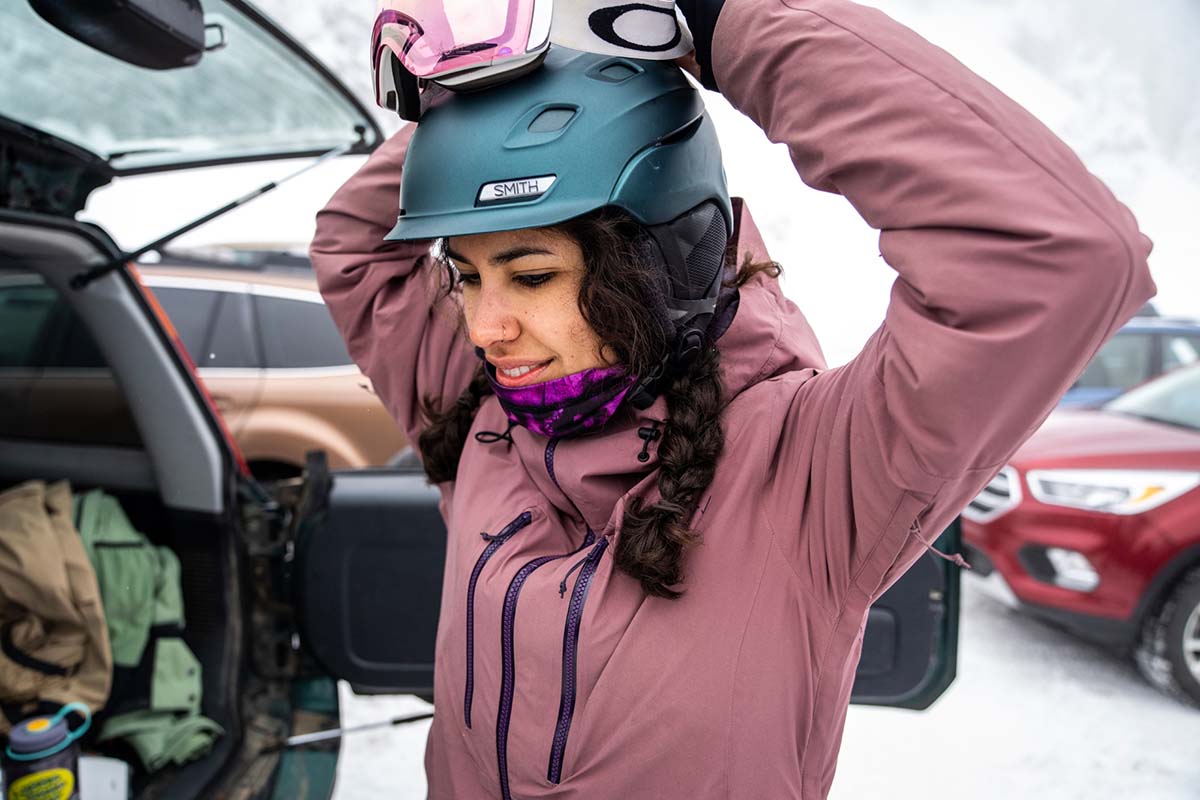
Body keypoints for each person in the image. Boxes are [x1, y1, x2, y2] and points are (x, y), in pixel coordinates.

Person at [312, 1, 1155, 797]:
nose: (486, 328)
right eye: (464, 277)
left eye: (531, 275)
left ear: (656, 265)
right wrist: (498, 85)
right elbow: (355, 248)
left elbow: (1052, 255)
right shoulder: (482, 416)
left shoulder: (814, 472)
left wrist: (725, 27)